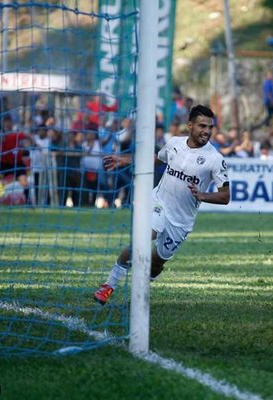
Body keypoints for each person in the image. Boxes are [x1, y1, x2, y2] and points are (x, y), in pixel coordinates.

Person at [93, 105, 230, 305]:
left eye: (210, 127)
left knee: (157, 263)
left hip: (182, 220)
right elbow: (157, 159)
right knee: (143, 238)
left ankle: (143, 286)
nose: (207, 131)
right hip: (158, 202)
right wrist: (124, 160)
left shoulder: (215, 159)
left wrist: (201, 195)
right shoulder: (174, 143)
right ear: (189, 125)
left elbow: (225, 196)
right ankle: (108, 285)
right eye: (202, 126)